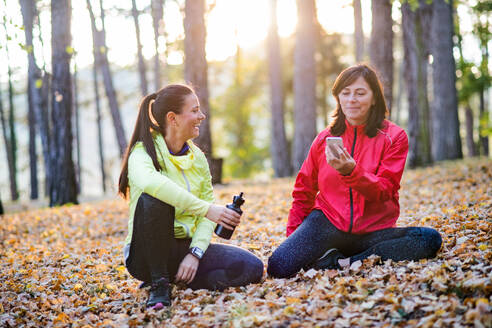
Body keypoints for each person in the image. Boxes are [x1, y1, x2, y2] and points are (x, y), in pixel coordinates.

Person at [267, 64, 442, 278]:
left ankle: (341, 262)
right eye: (345, 93)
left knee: (428, 239)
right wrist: (294, 242)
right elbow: (303, 191)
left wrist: (352, 172)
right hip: (327, 223)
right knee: (279, 266)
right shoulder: (324, 139)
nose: (352, 100)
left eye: (360, 93)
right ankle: (357, 258)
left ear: (374, 98)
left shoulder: (394, 137)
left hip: (373, 230)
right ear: (338, 98)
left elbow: (385, 190)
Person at [118, 84, 263, 309]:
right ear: (172, 118)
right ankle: (159, 284)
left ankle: (180, 279)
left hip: (184, 248)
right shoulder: (142, 152)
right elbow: (152, 184)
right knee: (154, 198)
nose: (201, 116)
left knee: (251, 267)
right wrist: (206, 209)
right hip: (145, 254)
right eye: (194, 111)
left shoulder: (198, 159)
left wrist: (195, 253)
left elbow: (207, 212)